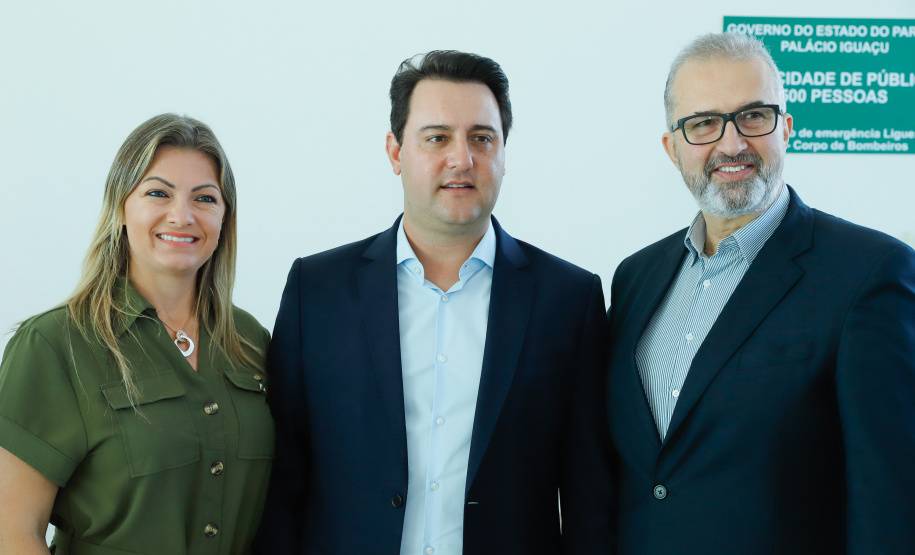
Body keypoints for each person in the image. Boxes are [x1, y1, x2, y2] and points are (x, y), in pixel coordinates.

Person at [256, 50, 615, 554]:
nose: (461, 158)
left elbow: (589, 493)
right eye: (437, 137)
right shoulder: (317, 291)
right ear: (395, 151)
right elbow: (284, 475)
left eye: (482, 138)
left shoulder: (569, 299)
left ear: (504, 154)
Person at [605, 32, 915, 554]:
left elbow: (891, 500)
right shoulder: (635, 277)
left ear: (786, 127)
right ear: (672, 147)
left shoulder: (870, 272)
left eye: (754, 116)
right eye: (703, 123)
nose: (731, 144)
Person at [0, 114, 273, 554]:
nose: (181, 215)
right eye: (157, 193)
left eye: (204, 198)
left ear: (224, 218)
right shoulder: (55, 346)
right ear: (121, 208)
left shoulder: (250, 343)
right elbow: (11, 532)